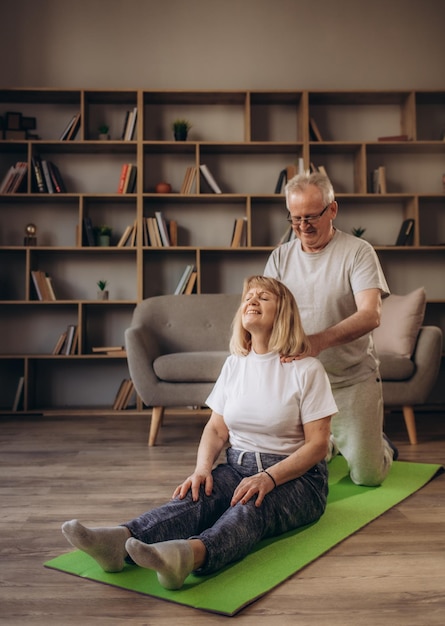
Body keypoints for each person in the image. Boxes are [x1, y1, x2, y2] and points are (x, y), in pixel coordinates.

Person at [61, 276, 337, 591]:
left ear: (284, 312)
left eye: (264, 297)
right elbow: (217, 428)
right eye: (248, 296)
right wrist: (201, 470)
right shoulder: (236, 365)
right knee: (195, 497)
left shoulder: (307, 369)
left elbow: (318, 445)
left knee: (250, 507)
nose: (252, 301)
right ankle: (119, 541)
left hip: (298, 480)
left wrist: (269, 478)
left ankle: (187, 558)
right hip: (238, 466)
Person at [264, 171, 397, 487]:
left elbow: (370, 315)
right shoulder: (280, 257)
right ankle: (333, 442)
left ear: (332, 210)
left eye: (311, 216)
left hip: (352, 378)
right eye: (295, 219)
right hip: (302, 386)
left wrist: (318, 341)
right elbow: (269, 316)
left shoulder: (357, 251)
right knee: (299, 472)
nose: (303, 226)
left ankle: (383, 446)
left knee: (368, 477)